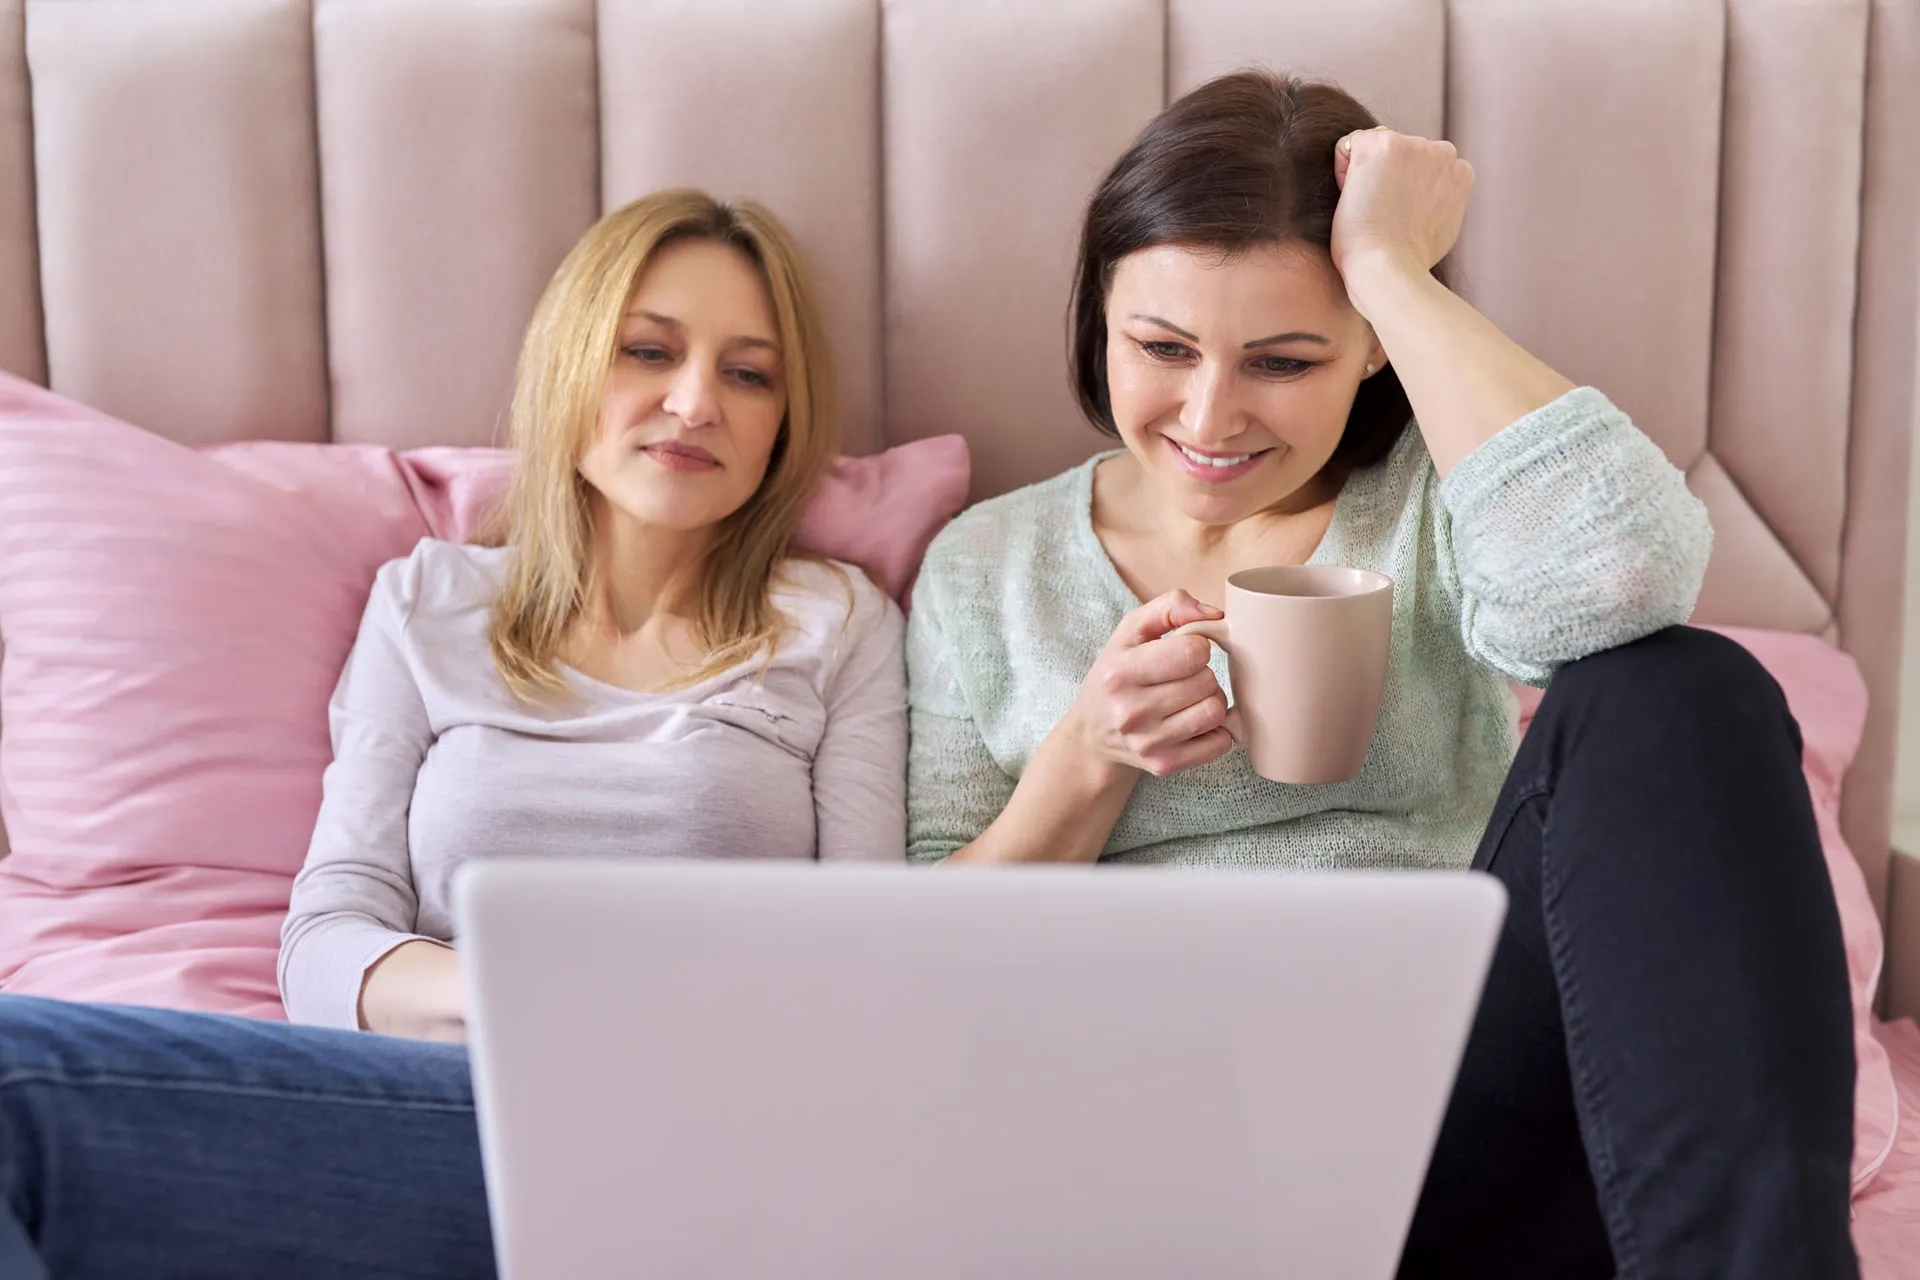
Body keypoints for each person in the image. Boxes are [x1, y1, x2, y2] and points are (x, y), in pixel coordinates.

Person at [904, 71, 1857, 1278]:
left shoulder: (1442, 496)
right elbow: (922, 968)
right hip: (1150, 1134)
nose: (1211, 415)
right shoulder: (986, 566)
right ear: (1101, 315)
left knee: (1683, 684)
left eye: (1284, 360)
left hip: (1456, 1107)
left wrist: (1394, 271)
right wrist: (1087, 755)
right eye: (1162, 346)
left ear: (1367, 350)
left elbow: (1626, 578)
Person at [0, 189, 906, 1278]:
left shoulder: (836, 620)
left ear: (785, 423)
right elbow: (325, 937)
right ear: (569, 367)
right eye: (648, 351)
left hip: (704, 1115)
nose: (694, 400)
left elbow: (873, 950)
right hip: (439, 1100)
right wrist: (496, 994)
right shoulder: (428, 599)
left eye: (749, 374)